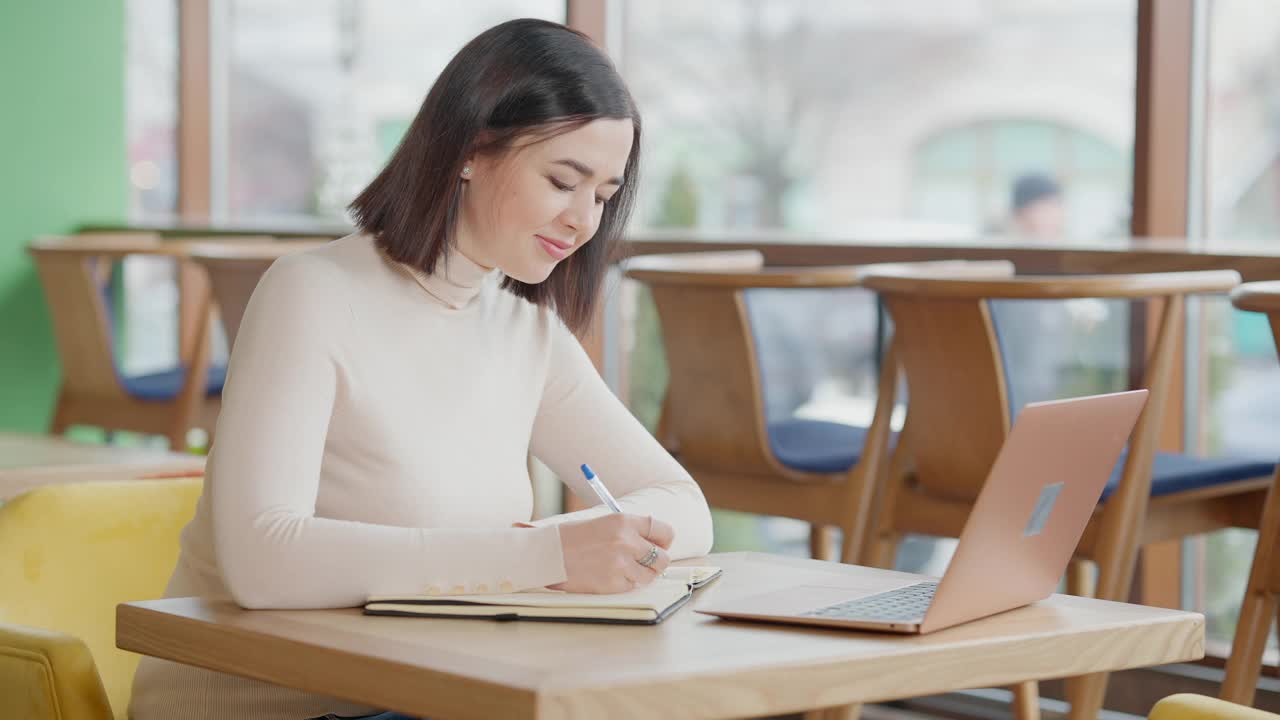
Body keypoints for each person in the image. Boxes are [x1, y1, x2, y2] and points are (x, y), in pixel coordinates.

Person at [129, 19, 713, 720]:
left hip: (427, 692)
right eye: (564, 180)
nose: (584, 220)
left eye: (604, 194)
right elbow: (263, 559)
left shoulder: (523, 326)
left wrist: (583, 543)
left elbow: (684, 505)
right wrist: (543, 557)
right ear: (470, 150)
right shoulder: (311, 294)